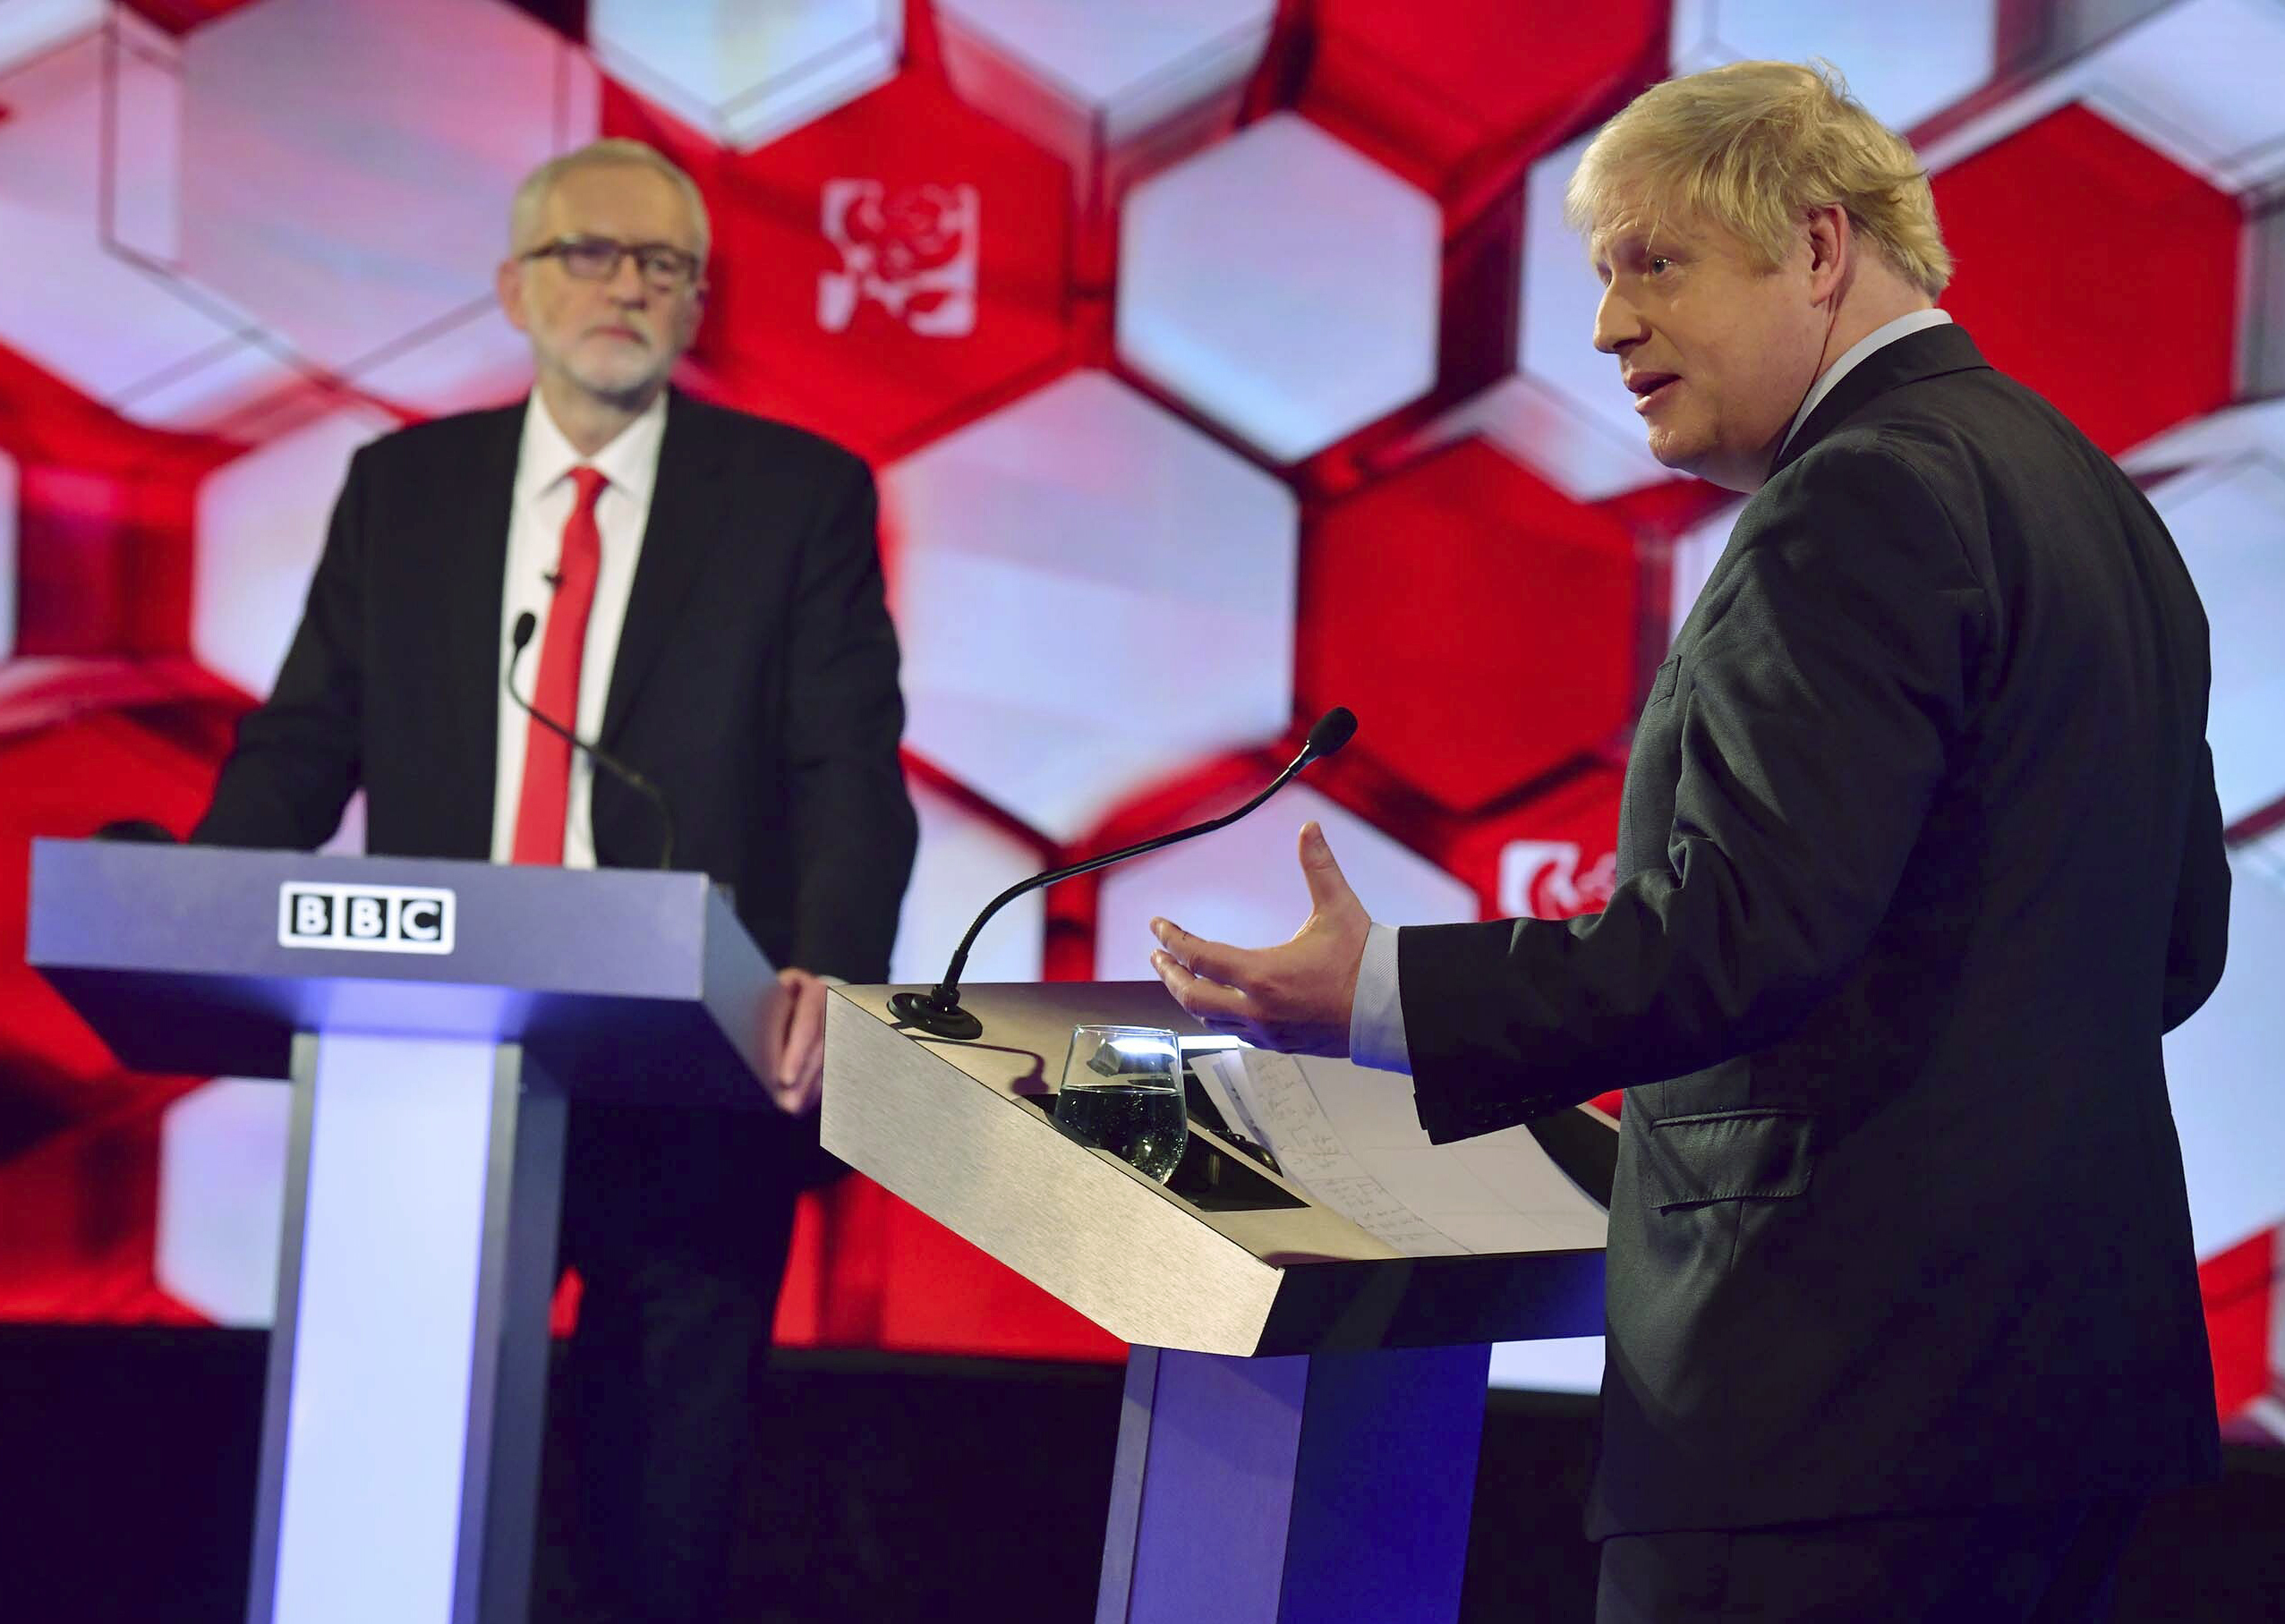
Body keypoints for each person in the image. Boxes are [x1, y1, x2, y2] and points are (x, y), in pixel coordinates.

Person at [1147, 62, 2228, 1623]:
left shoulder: (1854, 499)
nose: (1604, 329)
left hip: (1828, 1414)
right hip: (2062, 1401)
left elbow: (1738, 939)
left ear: (1815, 247)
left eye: (1653, 264)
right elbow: (2173, 946)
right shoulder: (2083, 495)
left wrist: (1379, 996)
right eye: (1601, 277)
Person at [192, 138, 917, 1620]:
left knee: (660, 1510)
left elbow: (850, 771)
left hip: (691, 1079)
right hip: (434, 1076)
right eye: (593, 252)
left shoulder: (796, 499)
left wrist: (830, 971)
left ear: (695, 307)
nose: (628, 286)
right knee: (410, 1479)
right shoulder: (405, 492)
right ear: (515, 286)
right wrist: (205, 903)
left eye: (664, 266)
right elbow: (305, 738)